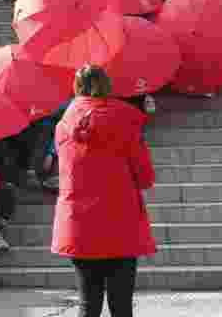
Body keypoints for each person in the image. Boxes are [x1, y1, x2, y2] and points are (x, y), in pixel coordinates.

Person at [53, 66, 155, 317]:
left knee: (88, 304)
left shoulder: (63, 125)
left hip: (79, 223)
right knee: (121, 305)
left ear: (77, 87)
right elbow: (145, 178)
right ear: (108, 86)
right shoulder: (125, 120)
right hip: (120, 221)